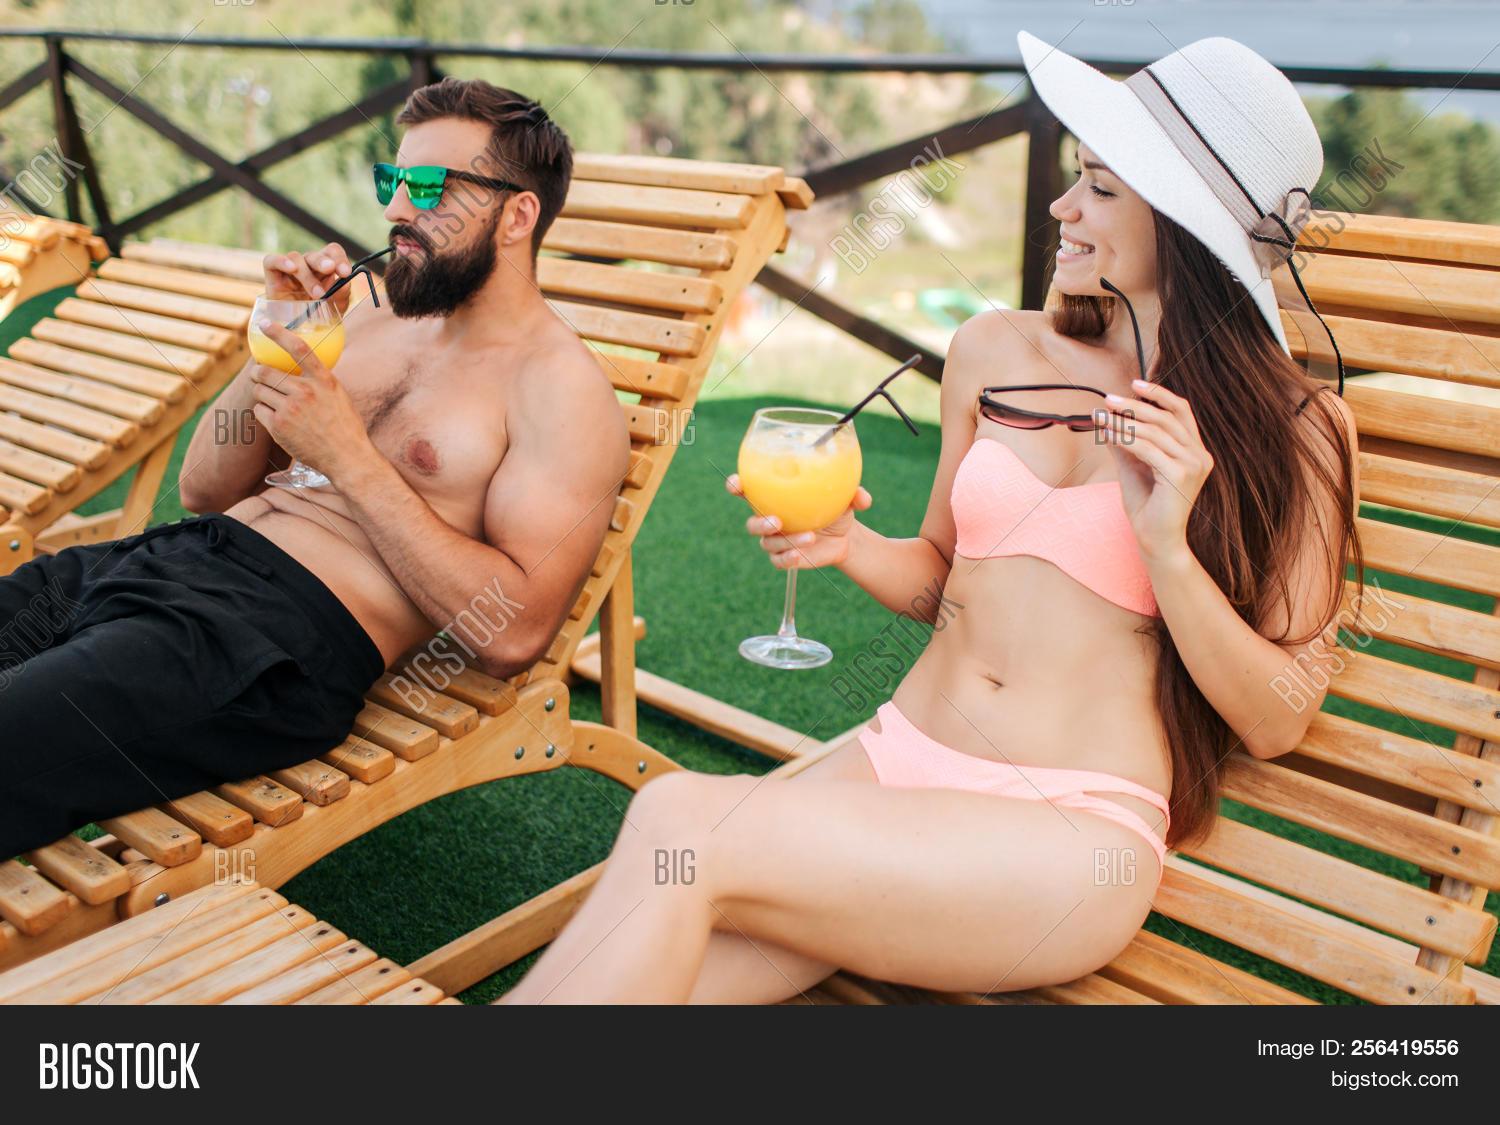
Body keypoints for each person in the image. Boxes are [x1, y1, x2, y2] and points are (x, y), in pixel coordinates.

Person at [499, 33, 1363, 1004]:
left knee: (677, 824)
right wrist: (850, 546)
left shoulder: (1300, 432)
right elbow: (944, 582)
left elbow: (1278, 718)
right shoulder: (995, 348)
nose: (1062, 208)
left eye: (1098, 188)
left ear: (1184, 226)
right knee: (663, 967)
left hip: (1069, 832)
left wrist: (1168, 546)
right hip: (894, 761)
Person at [0, 77, 630, 859]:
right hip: (168, 561)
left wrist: (347, 456)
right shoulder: (368, 316)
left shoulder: (562, 390)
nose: (396, 207)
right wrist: (280, 337)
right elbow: (204, 488)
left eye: (429, 187)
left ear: (518, 214)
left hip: (270, 643)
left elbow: (513, 634)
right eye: (392, 180)